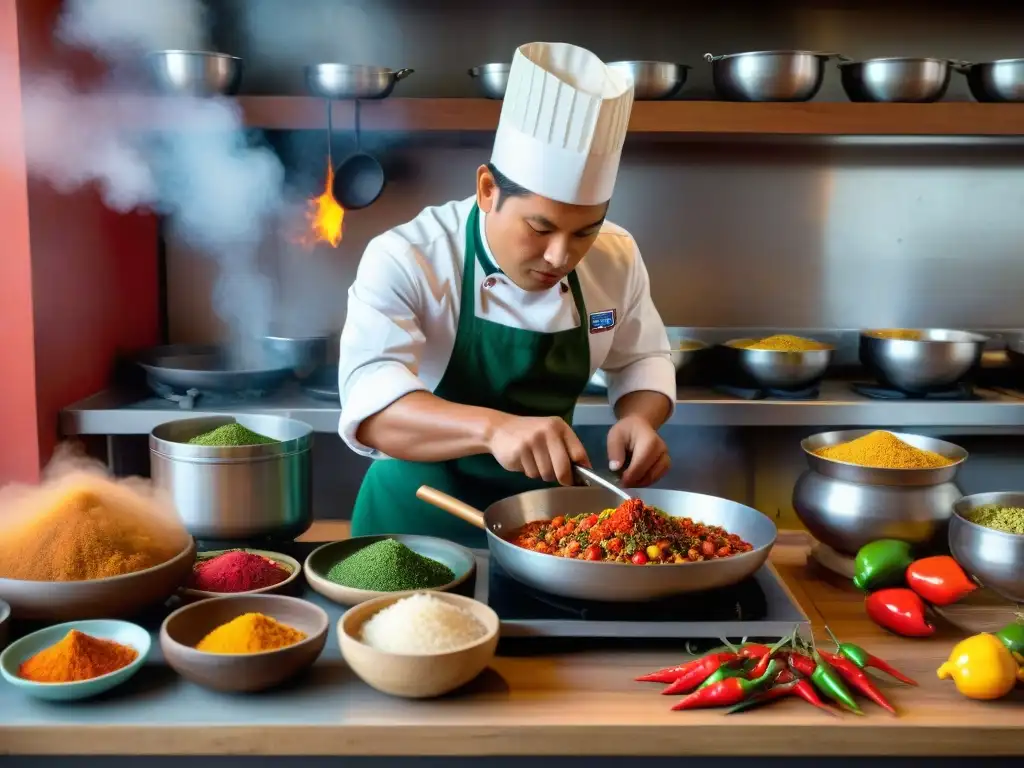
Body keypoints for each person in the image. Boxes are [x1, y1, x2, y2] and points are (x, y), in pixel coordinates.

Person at [337, 42, 676, 547]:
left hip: (545, 526)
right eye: (540, 228)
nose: (562, 255)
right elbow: (373, 410)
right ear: (487, 190)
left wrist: (638, 418)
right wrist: (494, 429)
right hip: (416, 522)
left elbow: (641, 356)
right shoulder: (409, 256)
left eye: (585, 230)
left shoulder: (616, 255)